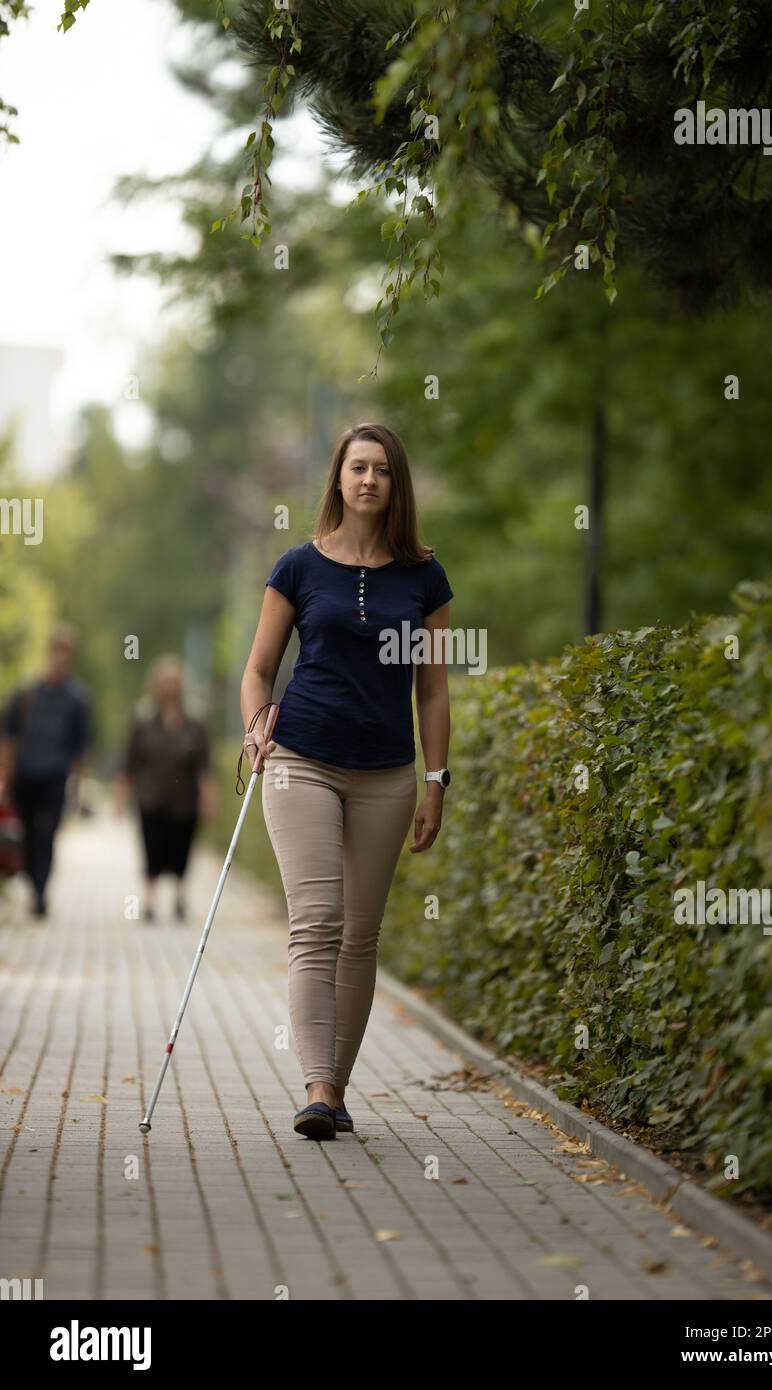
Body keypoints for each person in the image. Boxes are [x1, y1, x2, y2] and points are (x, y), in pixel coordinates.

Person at [240, 422, 454, 1141]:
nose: (368, 480)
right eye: (357, 468)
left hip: (388, 773)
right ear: (337, 479)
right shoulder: (298, 568)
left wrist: (435, 781)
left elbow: (433, 690)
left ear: (396, 486)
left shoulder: (425, 578)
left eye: (382, 470)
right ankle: (318, 1088)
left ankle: (338, 1087)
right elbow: (258, 669)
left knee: (361, 935)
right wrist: (254, 723)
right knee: (318, 924)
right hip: (301, 759)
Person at [116, 654, 216, 924]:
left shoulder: (195, 721)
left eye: (174, 681)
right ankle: (149, 898)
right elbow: (129, 762)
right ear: (156, 684)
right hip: (151, 796)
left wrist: (208, 797)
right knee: (151, 845)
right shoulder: (143, 718)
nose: (170, 687)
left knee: (182, 846)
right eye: (165, 681)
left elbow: (205, 765)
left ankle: (180, 896)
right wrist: (121, 797)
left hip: (184, 799)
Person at [0, 623, 91, 919]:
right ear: (49, 653)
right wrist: (5, 774)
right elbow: (9, 737)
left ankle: (40, 892)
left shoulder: (76, 700)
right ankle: (30, 878)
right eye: (57, 653)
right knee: (24, 833)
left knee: (48, 834)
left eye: (66, 654)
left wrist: (78, 789)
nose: (60, 660)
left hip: (54, 778)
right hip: (24, 777)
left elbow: (79, 749)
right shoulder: (25, 694)